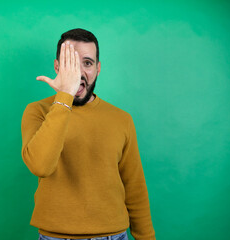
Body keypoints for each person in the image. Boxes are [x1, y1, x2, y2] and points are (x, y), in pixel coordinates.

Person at [21, 28, 156, 240]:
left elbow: (135, 188)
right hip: (55, 237)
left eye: (87, 63)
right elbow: (40, 165)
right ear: (57, 67)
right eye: (70, 63)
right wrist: (64, 96)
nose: (79, 72)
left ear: (98, 68)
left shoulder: (121, 119)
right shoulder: (37, 111)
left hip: (113, 236)